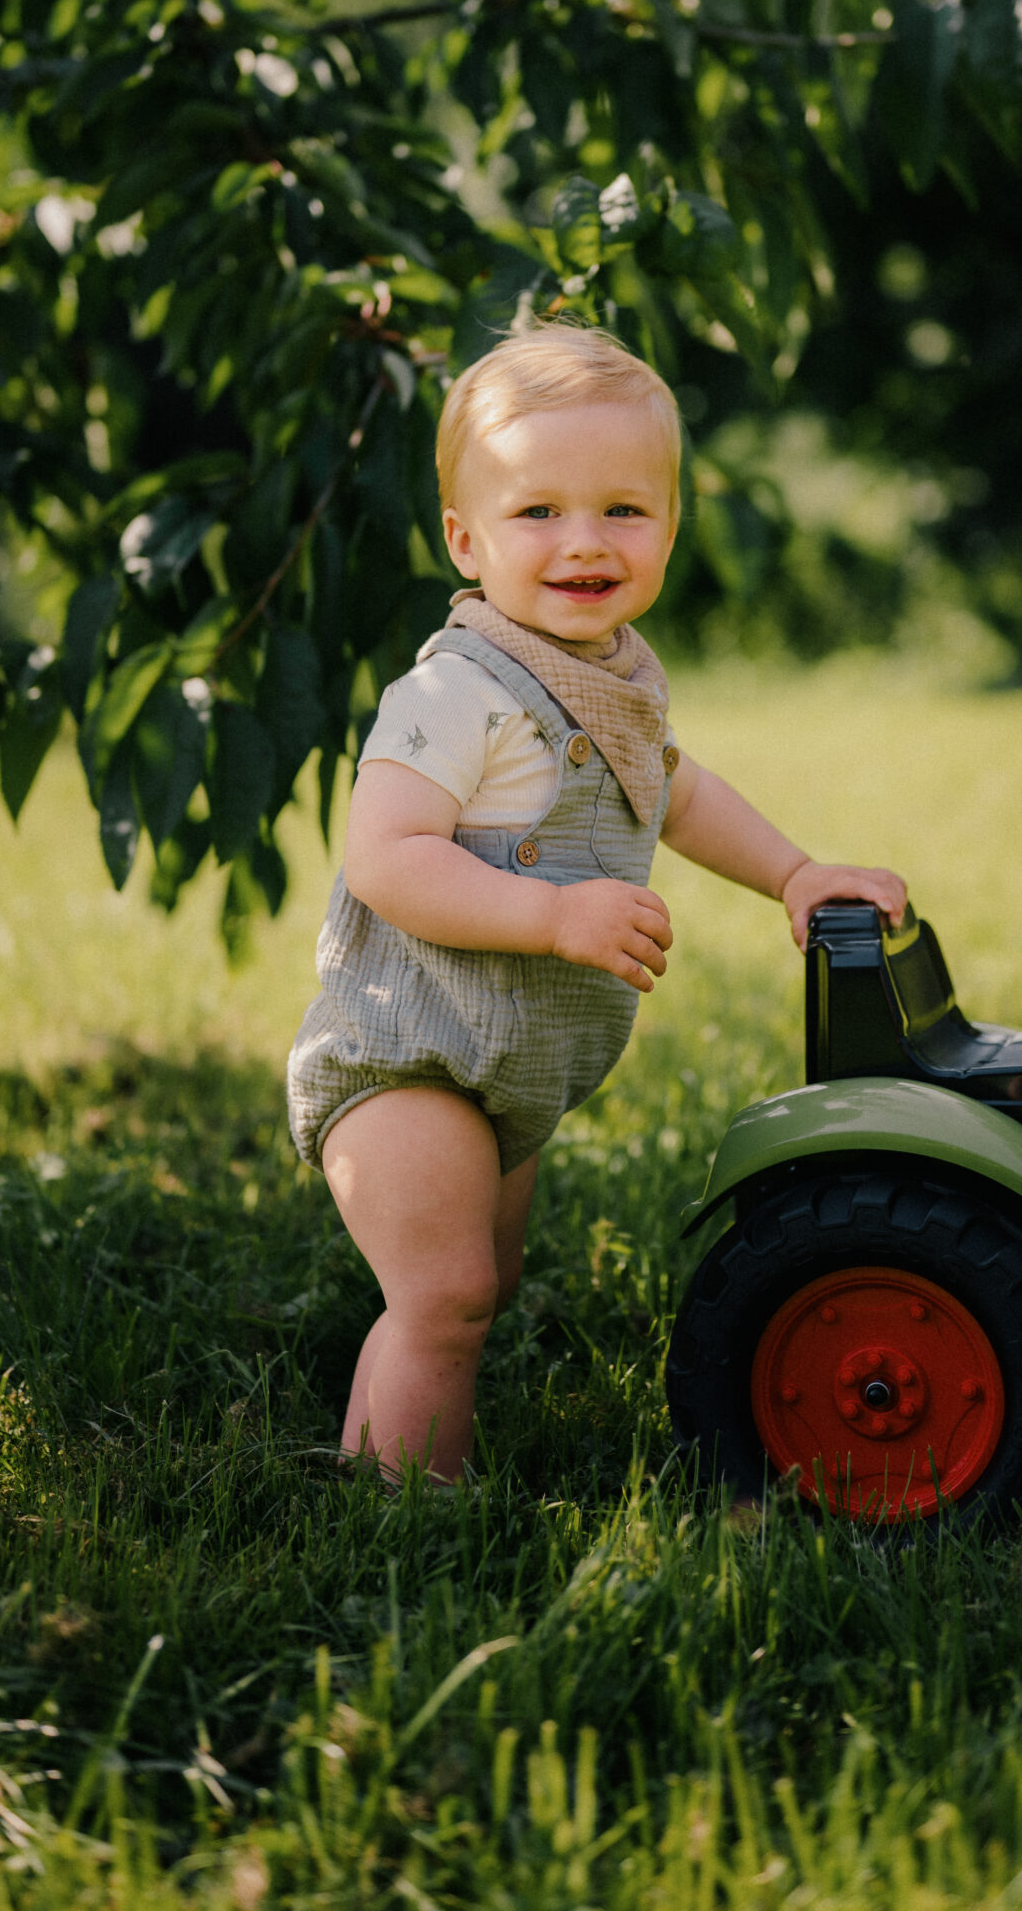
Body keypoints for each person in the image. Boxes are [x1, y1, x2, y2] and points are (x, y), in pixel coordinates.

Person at [287, 324, 906, 1484]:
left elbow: (673, 789)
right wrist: (554, 916)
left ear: (670, 524)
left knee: (485, 1287)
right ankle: (410, 1509)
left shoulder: (614, 675)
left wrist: (793, 872)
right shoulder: (453, 690)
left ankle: (380, 1456)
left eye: (625, 509)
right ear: (466, 540)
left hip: (509, 1066)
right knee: (448, 1293)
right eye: (538, 513)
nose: (585, 541)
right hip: (406, 1056)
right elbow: (387, 856)